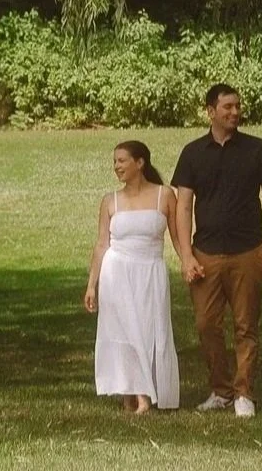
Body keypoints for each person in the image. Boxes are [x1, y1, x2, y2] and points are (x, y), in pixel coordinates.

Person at [171, 83, 262, 418]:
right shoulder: (193, 153)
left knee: (246, 325)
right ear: (210, 111)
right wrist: (186, 254)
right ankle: (220, 390)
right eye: (227, 107)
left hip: (248, 249)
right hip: (205, 252)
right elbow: (183, 206)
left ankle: (244, 392)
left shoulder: (256, 149)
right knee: (206, 324)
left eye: (237, 106)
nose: (234, 112)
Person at [85, 140, 190, 413]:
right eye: (115, 162)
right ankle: (134, 394)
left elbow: (178, 239)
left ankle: (143, 392)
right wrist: (92, 285)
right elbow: (101, 244)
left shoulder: (164, 195)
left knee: (146, 329)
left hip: (150, 271)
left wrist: (188, 263)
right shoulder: (110, 201)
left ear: (140, 162)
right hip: (116, 271)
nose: (116, 166)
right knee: (123, 330)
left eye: (122, 160)